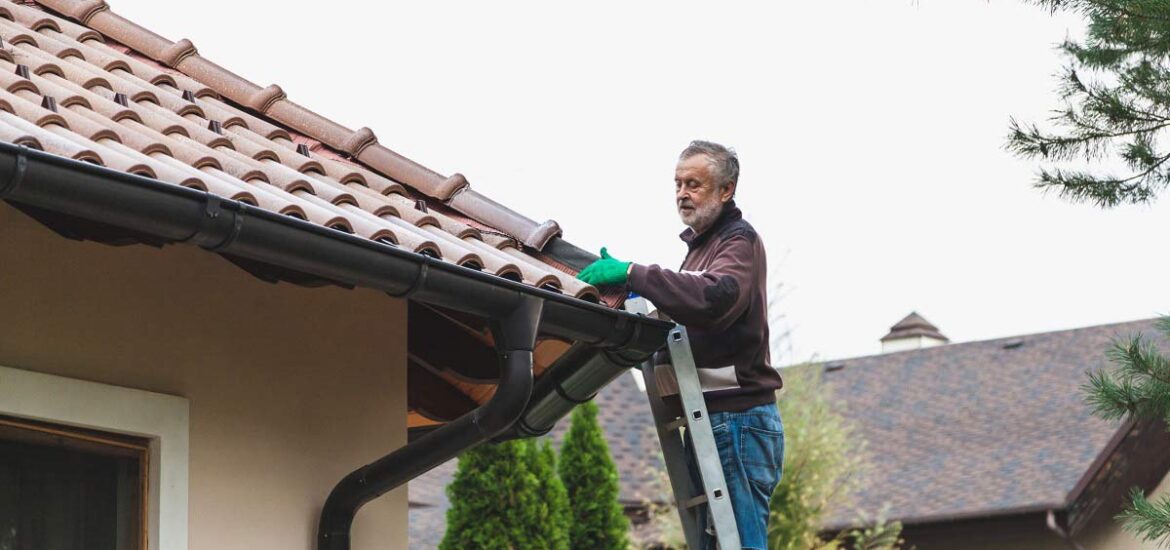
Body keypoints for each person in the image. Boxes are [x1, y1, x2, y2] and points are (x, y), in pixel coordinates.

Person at [577, 140, 784, 549]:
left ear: (726, 190)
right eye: (677, 184)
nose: (682, 194)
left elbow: (714, 298)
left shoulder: (737, 241)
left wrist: (635, 273)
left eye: (694, 184)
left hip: (739, 419)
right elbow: (686, 316)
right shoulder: (699, 252)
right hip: (714, 420)